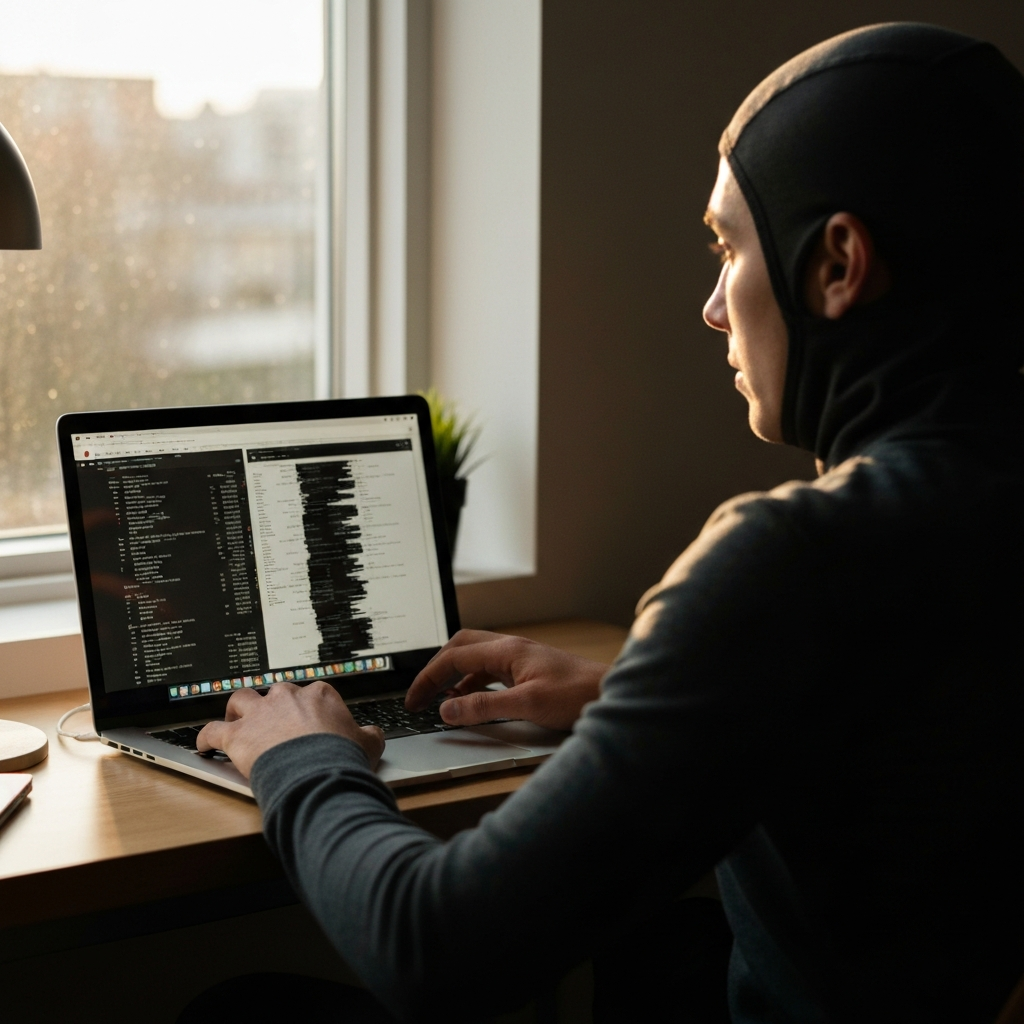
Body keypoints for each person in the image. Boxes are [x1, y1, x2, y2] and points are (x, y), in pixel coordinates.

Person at [190, 23, 1024, 1023]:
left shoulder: (798, 557)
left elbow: (435, 949)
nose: (714, 307)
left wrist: (301, 757)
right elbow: (908, 736)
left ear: (836, 263)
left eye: (729, 247)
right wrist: (631, 697)